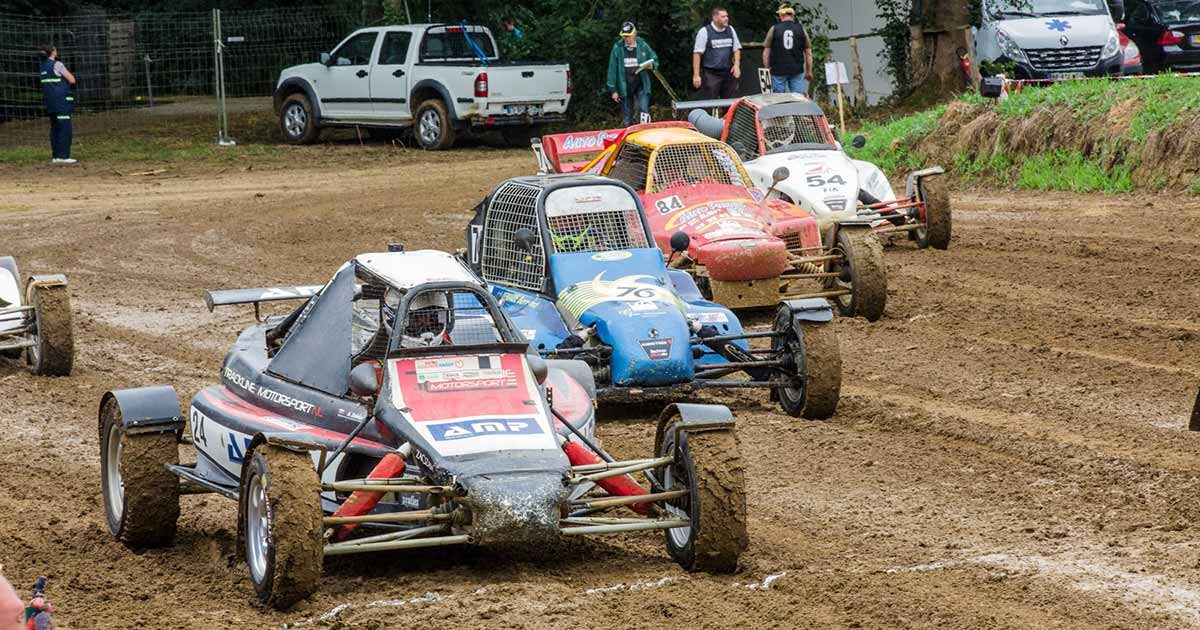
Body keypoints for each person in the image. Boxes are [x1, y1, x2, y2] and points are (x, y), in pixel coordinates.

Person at [606, 22, 659, 126]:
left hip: (641, 84)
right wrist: (613, 90)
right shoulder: (617, 47)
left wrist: (651, 65)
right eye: (624, 36)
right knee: (627, 116)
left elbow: (654, 59)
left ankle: (646, 132)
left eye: (628, 36)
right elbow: (612, 69)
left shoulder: (642, 45)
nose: (626, 39)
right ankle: (629, 137)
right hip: (625, 85)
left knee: (643, 109)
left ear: (634, 34)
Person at [38, 44, 77, 165]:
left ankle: (56, 156)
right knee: (65, 128)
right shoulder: (57, 64)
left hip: (50, 103)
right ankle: (64, 156)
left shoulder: (42, 66)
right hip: (62, 102)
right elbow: (72, 79)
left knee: (55, 128)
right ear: (53, 52)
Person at [692, 7, 742, 99]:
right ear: (715, 18)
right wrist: (696, 75)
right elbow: (697, 54)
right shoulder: (704, 32)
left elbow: (737, 49)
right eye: (723, 16)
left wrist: (737, 65)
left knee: (730, 104)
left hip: (728, 72)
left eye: (727, 16)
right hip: (711, 74)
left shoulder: (730, 30)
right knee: (709, 104)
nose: (726, 18)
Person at [763, 4, 813, 94]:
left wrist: (767, 69)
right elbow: (808, 53)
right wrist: (809, 71)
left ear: (781, 15)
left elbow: (766, 52)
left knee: (779, 101)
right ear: (792, 15)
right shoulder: (801, 29)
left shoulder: (774, 29)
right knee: (798, 99)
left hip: (778, 70)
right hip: (797, 70)